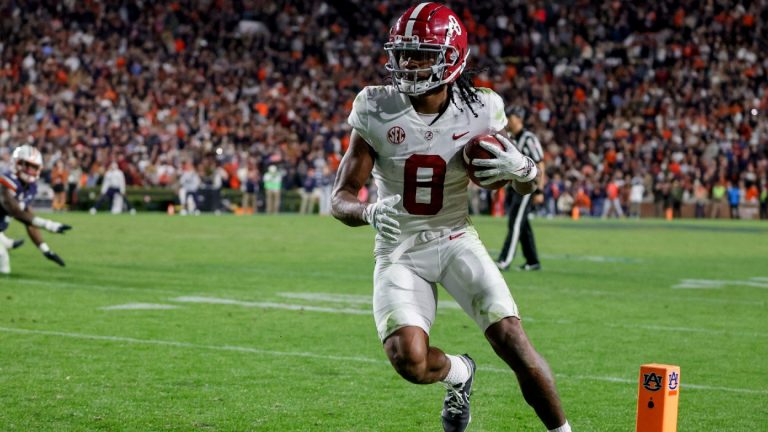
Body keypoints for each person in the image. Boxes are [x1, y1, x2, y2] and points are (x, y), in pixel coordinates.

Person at [330, 4, 570, 432]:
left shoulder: (481, 108)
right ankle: (459, 372)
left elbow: (515, 184)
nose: (409, 63)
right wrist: (367, 210)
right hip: (399, 248)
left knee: (512, 339)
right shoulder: (375, 107)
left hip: (455, 237)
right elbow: (340, 197)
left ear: (451, 57)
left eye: (422, 53)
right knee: (410, 361)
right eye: (404, 53)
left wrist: (525, 170)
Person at [0, 145, 71, 274]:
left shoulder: (30, 187)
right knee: (2, 256)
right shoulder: (6, 181)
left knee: (4, 265)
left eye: (33, 167)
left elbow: (28, 219)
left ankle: (7, 242)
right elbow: (13, 210)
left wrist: (45, 250)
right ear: (17, 163)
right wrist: (48, 225)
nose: (29, 170)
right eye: (26, 165)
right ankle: (7, 243)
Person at [496, 105, 546, 271]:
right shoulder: (510, 137)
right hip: (514, 187)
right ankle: (533, 261)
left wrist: (539, 190)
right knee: (523, 225)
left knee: (515, 223)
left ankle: (504, 260)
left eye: (511, 117)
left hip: (527, 187)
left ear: (519, 118)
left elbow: (540, 164)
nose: (508, 120)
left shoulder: (529, 138)